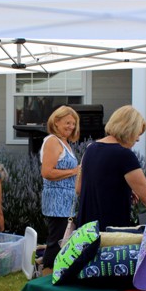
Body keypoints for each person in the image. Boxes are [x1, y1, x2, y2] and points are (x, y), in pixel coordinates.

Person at [76, 105, 146, 231]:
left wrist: (123, 187)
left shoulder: (90, 149)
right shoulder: (125, 155)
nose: (138, 139)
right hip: (110, 233)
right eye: (137, 134)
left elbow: (79, 189)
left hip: (86, 231)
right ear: (129, 129)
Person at [39, 106, 81, 275]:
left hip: (67, 200)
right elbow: (47, 172)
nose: (71, 126)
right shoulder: (52, 141)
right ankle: (46, 276)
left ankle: (55, 273)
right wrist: (75, 171)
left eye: (73, 123)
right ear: (56, 122)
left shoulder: (65, 143)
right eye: (67, 122)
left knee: (63, 239)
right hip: (57, 200)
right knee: (56, 240)